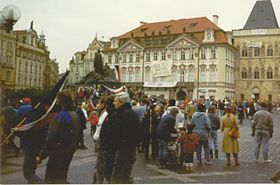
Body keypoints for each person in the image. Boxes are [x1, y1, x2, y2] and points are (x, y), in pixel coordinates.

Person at [36, 90, 80, 184]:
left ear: (60, 103)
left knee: (52, 180)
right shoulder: (75, 115)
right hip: (69, 152)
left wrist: (41, 155)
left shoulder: (60, 117)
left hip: (58, 154)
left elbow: (52, 139)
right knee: (62, 177)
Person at [110, 92, 141, 183]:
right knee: (125, 174)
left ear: (121, 102)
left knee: (119, 175)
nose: (113, 103)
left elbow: (119, 133)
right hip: (128, 148)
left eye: (115, 101)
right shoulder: (130, 113)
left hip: (124, 149)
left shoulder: (122, 114)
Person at [17, 97, 46, 184]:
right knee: (32, 170)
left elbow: (26, 129)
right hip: (39, 145)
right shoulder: (42, 114)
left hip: (30, 146)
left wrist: (17, 130)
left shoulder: (31, 114)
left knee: (28, 173)